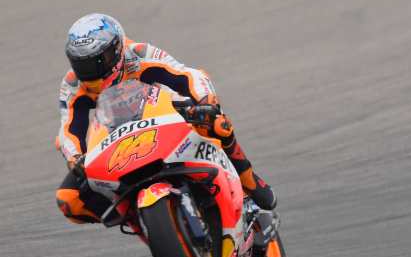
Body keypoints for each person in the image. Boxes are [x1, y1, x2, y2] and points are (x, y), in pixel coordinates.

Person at [55, 13, 275, 224]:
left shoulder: (139, 54)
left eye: (98, 60)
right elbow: (68, 130)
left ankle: (248, 179)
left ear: (117, 49)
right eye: (81, 64)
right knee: (69, 198)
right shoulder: (74, 84)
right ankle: (140, 216)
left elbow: (189, 76)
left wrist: (206, 103)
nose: (91, 72)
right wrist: (76, 158)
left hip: (165, 114)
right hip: (117, 139)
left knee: (217, 123)